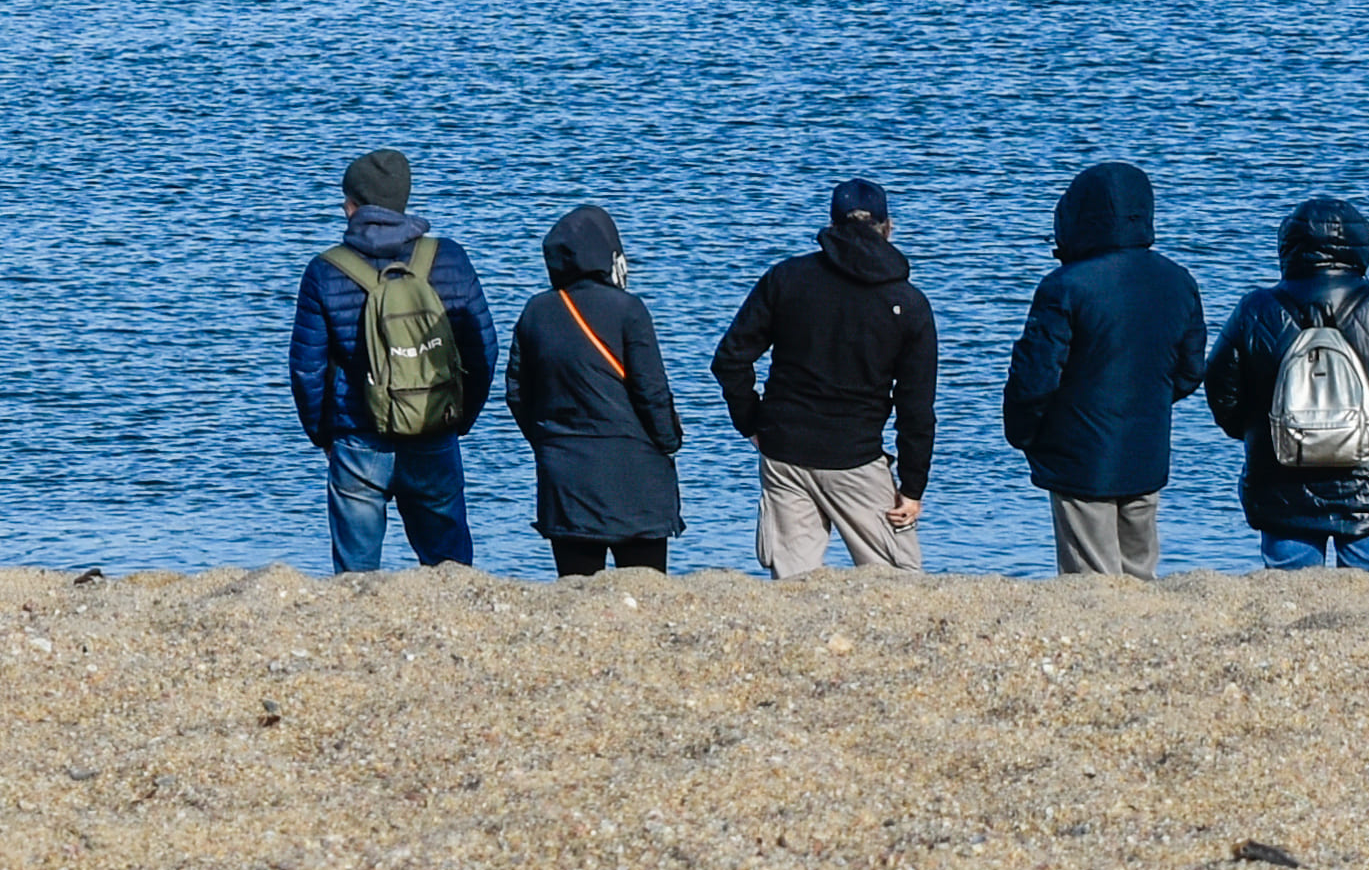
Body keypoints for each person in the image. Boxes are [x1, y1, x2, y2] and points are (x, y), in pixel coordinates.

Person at [1198, 194, 1369, 570]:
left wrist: (1257, 430)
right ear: (1361, 247)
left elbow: (1222, 391)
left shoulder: (1255, 309)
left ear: (1288, 247)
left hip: (1282, 478)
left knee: (1290, 593)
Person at [712, 176, 937, 575]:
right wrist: (912, 487)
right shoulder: (909, 303)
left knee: (792, 584)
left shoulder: (785, 279)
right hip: (856, 458)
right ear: (888, 228)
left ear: (832, 228)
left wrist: (752, 423)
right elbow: (915, 407)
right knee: (901, 581)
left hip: (785, 452)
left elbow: (731, 359)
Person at [289, 147, 495, 572]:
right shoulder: (449, 258)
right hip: (433, 428)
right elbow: (482, 349)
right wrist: (457, 417)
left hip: (358, 437)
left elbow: (307, 369)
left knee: (356, 576)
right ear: (404, 200)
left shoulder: (325, 271)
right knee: (450, 570)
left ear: (352, 206)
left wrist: (322, 436)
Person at [1000, 158, 1204, 574]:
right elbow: (1190, 370)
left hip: (1079, 456)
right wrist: (1148, 401)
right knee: (1139, 570)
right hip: (1145, 449)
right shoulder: (1178, 280)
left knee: (1090, 578)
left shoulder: (1065, 285)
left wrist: (1023, 434)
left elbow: (1034, 378)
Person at [509, 203, 685, 575]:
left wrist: (550, 442)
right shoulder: (629, 310)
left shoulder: (535, 311)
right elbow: (652, 392)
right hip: (636, 483)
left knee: (576, 595)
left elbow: (517, 394)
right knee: (646, 597)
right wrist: (670, 441)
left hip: (566, 481)